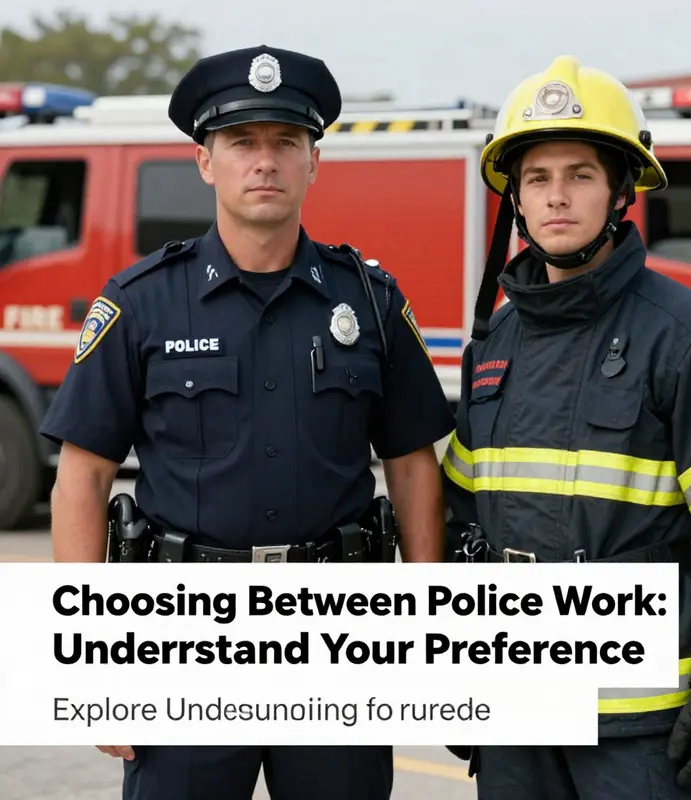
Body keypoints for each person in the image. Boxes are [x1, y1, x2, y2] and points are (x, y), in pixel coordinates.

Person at [38, 44, 455, 800]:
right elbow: (83, 478)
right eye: (241, 142)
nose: (264, 161)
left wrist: (429, 620)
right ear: (205, 161)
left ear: (313, 162)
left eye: (285, 142)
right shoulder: (140, 302)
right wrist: (92, 655)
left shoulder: (369, 301)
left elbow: (412, 464)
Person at [441, 55, 691, 799]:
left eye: (579, 175)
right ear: (515, 199)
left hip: (640, 729)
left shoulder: (689, 337)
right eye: (537, 178)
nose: (556, 196)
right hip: (515, 710)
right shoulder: (495, 345)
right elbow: (461, 520)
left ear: (621, 192)